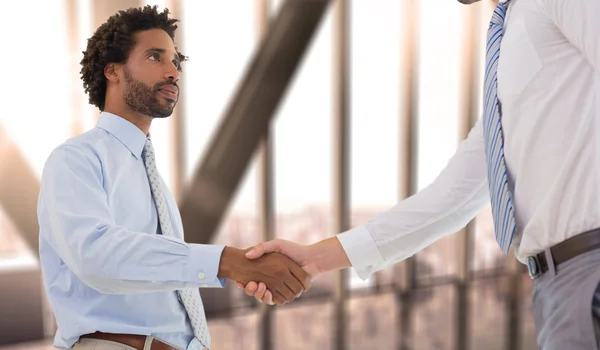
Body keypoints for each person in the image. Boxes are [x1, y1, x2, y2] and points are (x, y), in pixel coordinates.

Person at [238, 0, 600, 348]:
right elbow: (449, 199)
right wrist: (315, 257)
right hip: (557, 289)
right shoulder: (508, 51)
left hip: (588, 271)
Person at [37, 6, 310, 350]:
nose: (173, 72)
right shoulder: (76, 159)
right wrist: (227, 262)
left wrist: (245, 271)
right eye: (155, 57)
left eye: (176, 62)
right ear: (113, 71)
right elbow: (96, 256)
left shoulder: (152, 177)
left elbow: (160, 276)